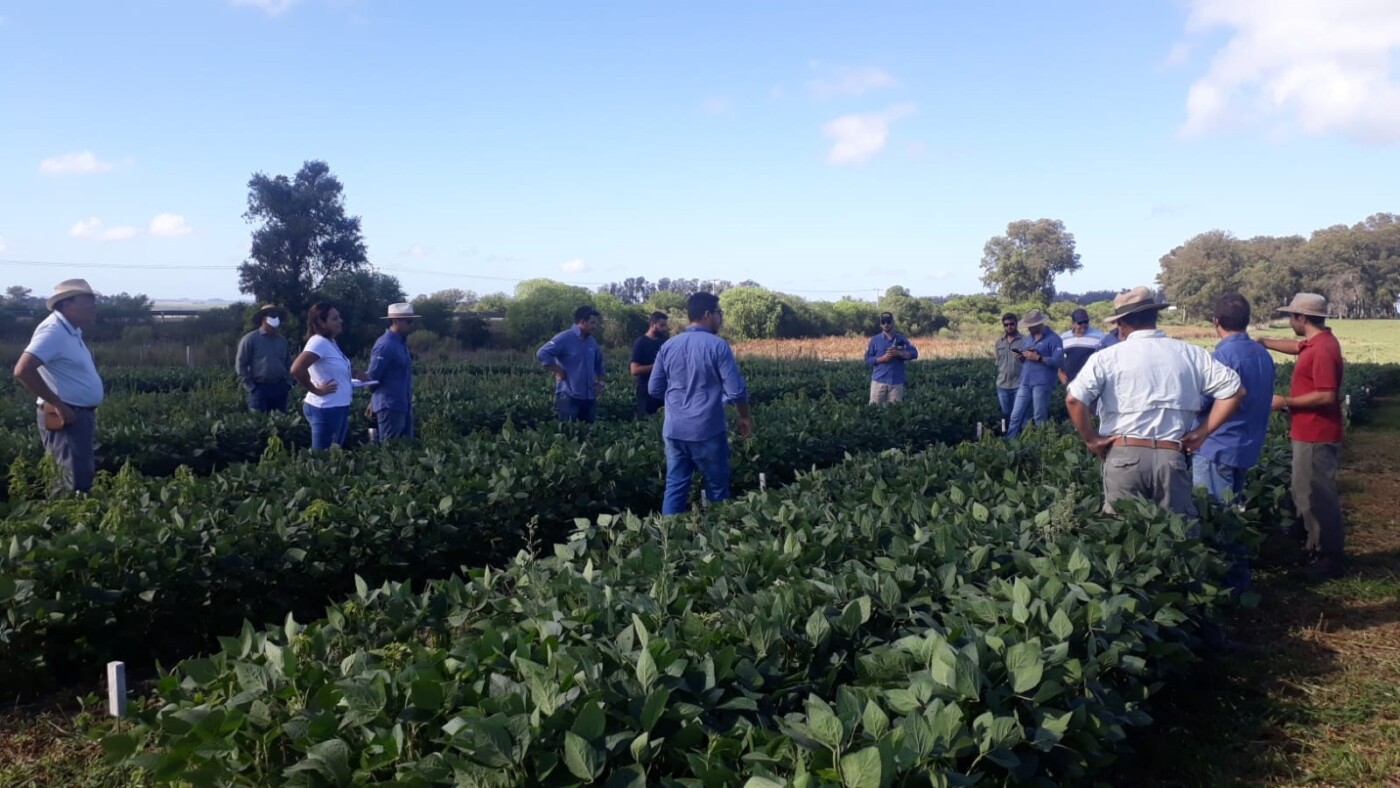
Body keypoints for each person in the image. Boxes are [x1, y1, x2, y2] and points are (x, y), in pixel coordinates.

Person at [1066, 286, 1244, 518]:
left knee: (1124, 534)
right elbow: (1235, 391)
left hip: (1123, 455)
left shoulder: (1107, 357)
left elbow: (1073, 399)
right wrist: (1203, 432)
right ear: (1155, 316)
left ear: (1122, 323)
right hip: (1171, 456)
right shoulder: (1190, 353)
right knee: (1175, 537)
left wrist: (1091, 440)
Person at [1191, 293, 1276, 593]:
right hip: (1245, 446)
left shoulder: (1224, 356)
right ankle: (1237, 586)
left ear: (1216, 322)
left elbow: (1204, 401)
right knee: (1232, 517)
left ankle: (1223, 591)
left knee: (1215, 521)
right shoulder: (1262, 354)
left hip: (1216, 447)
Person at [1258, 293, 1346, 581]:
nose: (1290, 321)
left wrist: (1285, 401)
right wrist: (1263, 342)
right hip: (1308, 431)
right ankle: (1313, 548)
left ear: (1302, 318)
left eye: (1292, 316)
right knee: (1303, 490)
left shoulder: (1322, 350)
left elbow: (1326, 394)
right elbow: (1297, 347)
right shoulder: (1316, 342)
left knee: (1316, 496)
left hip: (1316, 433)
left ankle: (1328, 558)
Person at [648, 292, 752, 515]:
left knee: (675, 486)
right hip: (707, 430)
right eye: (718, 313)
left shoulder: (668, 346)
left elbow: (654, 389)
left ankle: (667, 542)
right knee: (716, 489)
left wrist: (677, 400)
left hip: (674, 430)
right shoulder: (718, 346)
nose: (720, 318)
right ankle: (717, 541)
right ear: (707, 314)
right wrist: (744, 416)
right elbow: (735, 390)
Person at [12, 279, 105, 493]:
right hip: (65, 415)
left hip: (75, 414)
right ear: (66, 304)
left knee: (76, 474)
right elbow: (22, 370)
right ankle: (66, 523)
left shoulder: (70, 330)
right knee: (70, 480)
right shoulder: (53, 330)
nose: (93, 307)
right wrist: (59, 405)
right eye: (87, 301)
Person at [291, 302, 364, 449]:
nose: (340, 321)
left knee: (334, 455)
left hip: (338, 406)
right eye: (335, 318)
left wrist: (354, 372)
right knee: (322, 458)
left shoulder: (330, 342)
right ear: (320, 322)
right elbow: (296, 369)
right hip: (325, 408)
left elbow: (330, 369)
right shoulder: (318, 342)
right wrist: (317, 390)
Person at [537, 306, 607, 423]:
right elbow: (542, 353)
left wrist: (600, 383)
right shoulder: (565, 337)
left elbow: (599, 364)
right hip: (569, 396)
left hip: (589, 397)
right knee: (569, 435)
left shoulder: (592, 342)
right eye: (592, 323)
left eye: (596, 323)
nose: (595, 327)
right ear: (582, 322)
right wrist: (558, 370)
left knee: (589, 435)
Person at [1005, 309, 1064, 438]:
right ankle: (1009, 442)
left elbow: (1059, 361)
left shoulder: (1054, 339)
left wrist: (1039, 358)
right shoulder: (1029, 338)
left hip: (1042, 383)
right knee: (1016, 415)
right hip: (1025, 381)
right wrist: (1021, 356)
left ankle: (1041, 444)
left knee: (1039, 417)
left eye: (1030, 326)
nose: (1028, 329)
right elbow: (1027, 359)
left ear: (1039, 324)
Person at [366, 302, 417, 442]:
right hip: (390, 407)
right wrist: (376, 402)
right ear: (396, 321)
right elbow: (372, 378)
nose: (412, 325)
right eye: (409, 321)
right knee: (391, 450)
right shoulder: (385, 345)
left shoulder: (400, 343)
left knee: (404, 451)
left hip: (403, 405)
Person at [235, 304, 294, 413]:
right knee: (258, 424)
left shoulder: (282, 341)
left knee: (280, 424)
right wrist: (251, 387)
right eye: (271, 315)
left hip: (280, 388)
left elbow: (289, 364)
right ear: (263, 318)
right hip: (259, 388)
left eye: (276, 315)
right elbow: (241, 364)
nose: (275, 317)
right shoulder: (250, 339)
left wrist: (288, 384)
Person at [864, 312, 919, 404]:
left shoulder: (902, 339)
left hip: (896, 383)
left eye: (889, 322)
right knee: (874, 413)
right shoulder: (874, 340)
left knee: (895, 414)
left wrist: (901, 354)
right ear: (880, 324)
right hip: (878, 382)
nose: (886, 324)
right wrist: (883, 359)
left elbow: (915, 353)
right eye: (883, 322)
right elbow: (867, 359)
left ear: (893, 323)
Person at [629, 312, 670, 418]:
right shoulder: (641, 342)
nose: (664, 328)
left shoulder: (664, 342)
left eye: (665, 325)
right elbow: (634, 370)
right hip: (646, 393)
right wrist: (658, 366)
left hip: (663, 392)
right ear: (653, 325)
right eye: (662, 325)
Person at [1058, 308, 1106, 385]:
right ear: (1073, 324)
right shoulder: (1063, 338)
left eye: (1086, 322)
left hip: (1092, 381)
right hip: (1070, 382)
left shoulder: (1100, 336)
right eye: (1080, 323)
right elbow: (1058, 357)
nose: (1083, 325)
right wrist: (1060, 373)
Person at [993, 312, 1024, 425]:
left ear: (1016, 324)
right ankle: (1007, 438)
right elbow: (998, 362)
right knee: (1006, 415)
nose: (1009, 327)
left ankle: (1021, 438)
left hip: (1019, 385)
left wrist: (1022, 358)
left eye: (1011, 324)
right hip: (1002, 385)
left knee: (1019, 415)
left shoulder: (1025, 340)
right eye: (1006, 325)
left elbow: (1030, 363)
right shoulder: (999, 342)